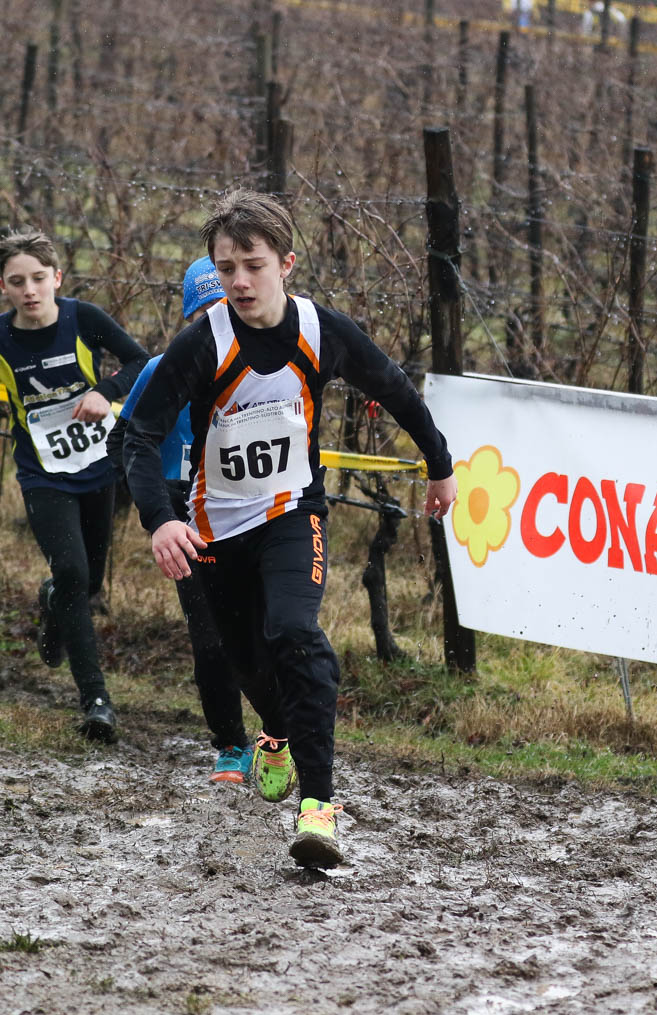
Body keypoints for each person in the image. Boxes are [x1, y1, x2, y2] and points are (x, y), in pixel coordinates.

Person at [123, 190, 457, 869]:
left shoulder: (320, 331)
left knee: (296, 635)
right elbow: (139, 435)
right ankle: (274, 731)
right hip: (214, 530)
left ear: (286, 264)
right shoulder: (203, 342)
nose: (240, 281)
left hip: (291, 513)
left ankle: (319, 808)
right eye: (227, 268)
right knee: (247, 662)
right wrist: (161, 521)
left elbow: (394, 387)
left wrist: (439, 465)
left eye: (254, 265)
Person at [0, 231, 148, 742]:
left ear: (57, 278)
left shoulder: (84, 318)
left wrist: (105, 392)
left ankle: (54, 598)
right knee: (74, 571)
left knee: (88, 583)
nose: (30, 290)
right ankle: (96, 700)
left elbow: (140, 360)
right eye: (17, 282)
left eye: (38, 279)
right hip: (41, 472)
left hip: (97, 465)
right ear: (3, 287)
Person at [111, 256, 274, 783]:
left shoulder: (266, 368)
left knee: (271, 629)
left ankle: (282, 734)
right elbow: (123, 441)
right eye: (204, 314)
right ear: (189, 320)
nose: (217, 321)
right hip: (188, 515)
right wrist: (157, 510)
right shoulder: (162, 371)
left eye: (225, 308)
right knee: (210, 635)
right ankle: (230, 744)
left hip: (255, 510)